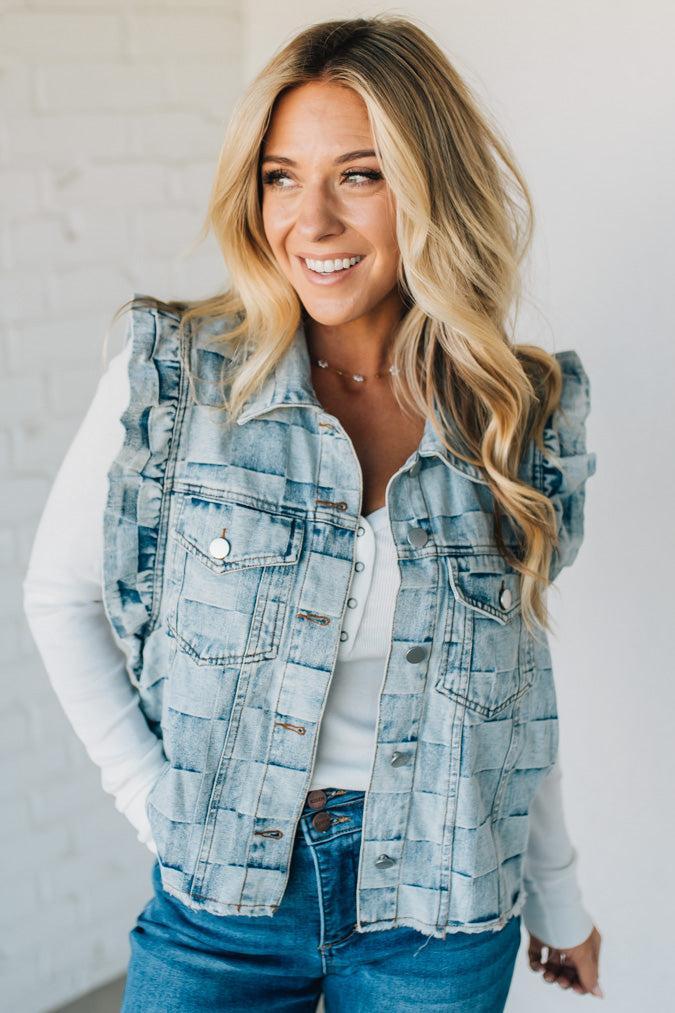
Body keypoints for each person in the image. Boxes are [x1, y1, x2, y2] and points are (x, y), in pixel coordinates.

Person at [22, 14, 603, 1012]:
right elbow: (58, 597)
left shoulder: (516, 405)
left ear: (430, 186)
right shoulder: (180, 377)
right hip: (223, 901)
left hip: (443, 903)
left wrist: (558, 893)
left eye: (361, 174)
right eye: (281, 175)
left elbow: (513, 684)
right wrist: (157, 803)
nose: (311, 221)